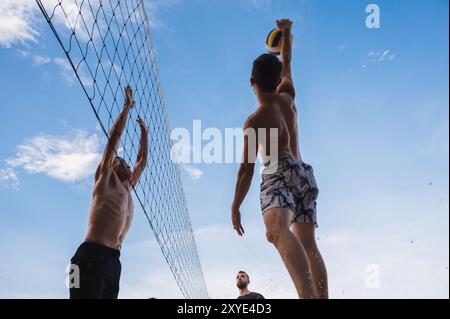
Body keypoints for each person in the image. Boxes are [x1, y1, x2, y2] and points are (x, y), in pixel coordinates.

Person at [231, 19, 328, 299]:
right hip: (304, 173)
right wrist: (286, 32)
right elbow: (286, 62)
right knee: (308, 243)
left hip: (277, 171)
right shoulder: (288, 96)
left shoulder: (254, 120)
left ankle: (307, 296)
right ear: (278, 80)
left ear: (252, 82)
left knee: (276, 231)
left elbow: (246, 169)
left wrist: (235, 205)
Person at [69, 85, 149, 299]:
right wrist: (126, 108)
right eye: (120, 159)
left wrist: (145, 133)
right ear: (113, 165)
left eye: (126, 161)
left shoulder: (128, 188)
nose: (125, 161)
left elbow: (142, 162)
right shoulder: (104, 176)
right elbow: (114, 138)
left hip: (113, 261)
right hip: (88, 255)